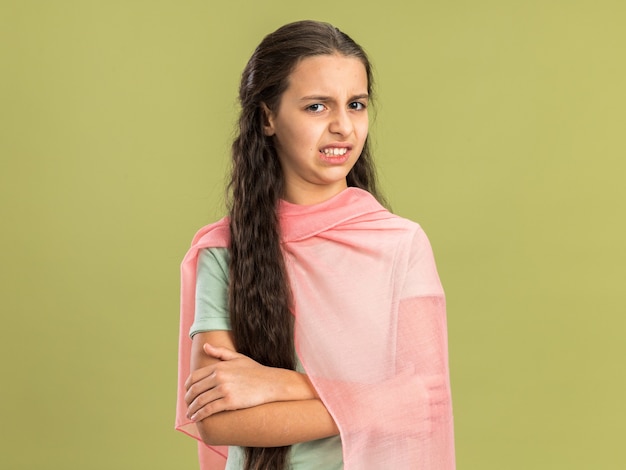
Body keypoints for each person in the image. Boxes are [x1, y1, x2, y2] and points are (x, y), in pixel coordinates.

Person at [175, 20, 455, 470]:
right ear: (267, 117)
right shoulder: (226, 249)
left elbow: (423, 405)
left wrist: (275, 386)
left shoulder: (399, 245)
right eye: (317, 107)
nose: (343, 127)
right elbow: (217, 420)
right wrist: (378, 402)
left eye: (356, 104)